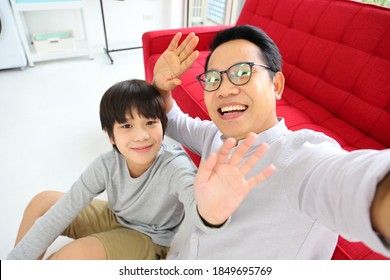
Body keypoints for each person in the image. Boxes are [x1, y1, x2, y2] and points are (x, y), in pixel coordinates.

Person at [152, 25, 390, 259]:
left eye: (242, 73)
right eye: (213, 78)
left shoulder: (299, 159)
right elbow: (174, 121)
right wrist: (160, 86)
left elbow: (355, 182)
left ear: (276, 85)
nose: (224, 90)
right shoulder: (214, 135)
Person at [7, 79, 273, 260]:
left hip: (148, 238)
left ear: (162, 124)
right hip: (115, 217)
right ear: (110, 135)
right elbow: (64, 210)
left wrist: (213, 212)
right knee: (42, 201)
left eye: (149, 122)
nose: (141, 136)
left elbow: (198, 206)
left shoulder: (174, 165)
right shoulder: (107, 163)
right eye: (126, 126)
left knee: (64, 259)